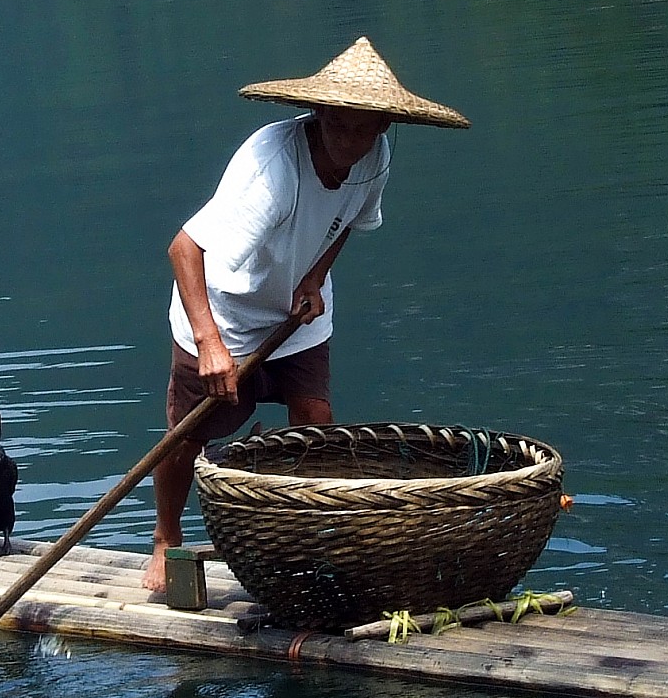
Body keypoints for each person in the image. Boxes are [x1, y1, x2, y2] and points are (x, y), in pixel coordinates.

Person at [145, 37, 470, 593]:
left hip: (296, 316)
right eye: (338, 126)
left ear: (382, 128)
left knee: (318, 428)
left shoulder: (375, 160)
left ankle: (313, 539)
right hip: (221, 312)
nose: (348, 141)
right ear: (318, 114)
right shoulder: (272, 171)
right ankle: (166, 538)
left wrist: (314, 278)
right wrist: (210, 343)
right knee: (185, 439)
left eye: (361, 129)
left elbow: (346, 221)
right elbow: (184, 249)